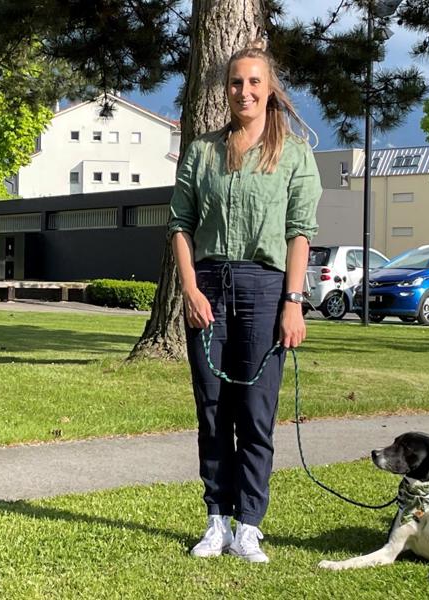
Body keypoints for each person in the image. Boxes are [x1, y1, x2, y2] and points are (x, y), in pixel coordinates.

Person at [166, 41, 321, 564]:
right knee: (212, 410)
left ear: (269, 88)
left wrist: (293, 302)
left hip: (265, 287)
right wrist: (189, 289)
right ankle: (216, 519)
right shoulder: (203, 151)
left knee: (255, 412)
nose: (244, 91)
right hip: (207, 285)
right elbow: (181, 227)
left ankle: (249, 524)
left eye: (254, 82)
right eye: (236, 82)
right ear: (226, 90)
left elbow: (300, 234)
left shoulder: (293, 153)